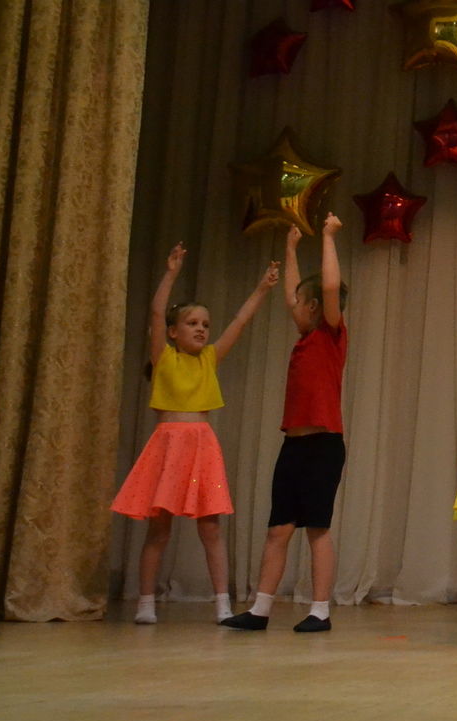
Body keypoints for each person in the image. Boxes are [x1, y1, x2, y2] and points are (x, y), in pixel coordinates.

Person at [112, 243, 278, 624]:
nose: (201, 329)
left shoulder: (209, 359)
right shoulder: (164, 358)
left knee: (211, 528)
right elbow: (157, 312)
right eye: (192, 323)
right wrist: (171, 273)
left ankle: (222, 603)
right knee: (159, 530)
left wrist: (262, 288)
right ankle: (146, 603)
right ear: (173, 332)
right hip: (167, 446)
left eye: (205, 324)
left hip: (202, 448)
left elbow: (240, 321)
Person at [224, 214, 349, 634]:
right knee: (278, 529)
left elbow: (328, 287)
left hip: (323, 446)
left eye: (300, 302)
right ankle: (260, 609)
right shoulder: (304, 338)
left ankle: (320, 611)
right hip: (293, 447)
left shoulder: (332, 334)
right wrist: (291, 249)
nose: (292, 307)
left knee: (317, 530)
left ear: (314, 308)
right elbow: (293, 294)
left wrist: (328, 237)